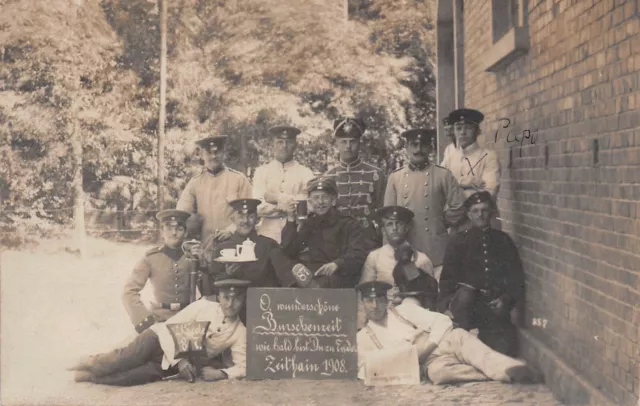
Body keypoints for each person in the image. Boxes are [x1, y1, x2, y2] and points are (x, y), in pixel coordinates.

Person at [70, 279, 250, 386]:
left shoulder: (239, 331)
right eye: (226, 297)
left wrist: (222, 374)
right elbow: (174, 324)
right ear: (219, 296)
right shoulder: (204, 306)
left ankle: (89, 377)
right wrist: (180, 360)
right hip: (158, 340)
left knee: (130, 377)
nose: (230, 304)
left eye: (237, 299)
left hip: (169, 365)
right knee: (123, 359)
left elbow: (243, 365)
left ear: (243, 300)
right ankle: (89, 361)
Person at [356, 281, 540, 385]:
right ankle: (498, 371)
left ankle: (512, 370)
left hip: (443, 341)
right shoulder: (364, 337)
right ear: (362, 304)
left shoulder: (403, 310)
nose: (374, 306)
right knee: (440, 376)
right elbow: (366, 370)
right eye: (369, 301)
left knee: (465, 342)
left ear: (385, 301)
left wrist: (429, 346)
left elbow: (442, 321)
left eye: (378, 300)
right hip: (428, 364)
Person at [437, 191, 525, 356]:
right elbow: (447, 278)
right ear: (469, 215)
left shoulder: (503, 241)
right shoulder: (458, 241)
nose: (480, 215)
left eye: (484, 210)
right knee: (460, 352)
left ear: (491, 212)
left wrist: (505, 299)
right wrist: (446, 306)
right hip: (467, 307)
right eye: (476, 211)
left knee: (504, 352)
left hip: (492, 306)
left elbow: (515, 277)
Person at [384, 128, 467, 281]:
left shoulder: (443, 175)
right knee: (411, 292)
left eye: (423, 145)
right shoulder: (395, 178)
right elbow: (388, 218)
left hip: (435, 246)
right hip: (407, 247)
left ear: (430, 148)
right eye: (414, 145)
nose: (418, 150)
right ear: (406, 148)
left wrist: (440, 222)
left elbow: (459, 206)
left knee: (436, 293)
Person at [269, 177, 368, 289]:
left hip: (334, 274)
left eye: (325, 197)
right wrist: (291, 219)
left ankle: (305, 287)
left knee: (328, 281)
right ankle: (297, 285)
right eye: (316, 198)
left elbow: (358, 254)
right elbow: (289, 250)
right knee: (276, 253)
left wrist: (337, 264)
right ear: (310, 202)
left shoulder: (349, 224)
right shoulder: (309, 223)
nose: (320, 202)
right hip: (312, 274)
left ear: (333, 200)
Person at [122, 209, 202, 334]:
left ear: (185, 233)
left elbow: (208, 291)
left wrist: (204, 263)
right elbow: (128, 292)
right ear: (162, 232)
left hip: (188, 318)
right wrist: (146, 322)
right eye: (169, 228)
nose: (174, 233)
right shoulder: (151, 258)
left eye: (179, 229)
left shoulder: (192, 258)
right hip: (159, 320)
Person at [203, 198, 280, 323]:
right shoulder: (223, 247)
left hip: (263, 311)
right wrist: (227, 275)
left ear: (257, 219)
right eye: (240, 216)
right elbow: (213, 284)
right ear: (233, 219)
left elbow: (277, 282)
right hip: (232, 315)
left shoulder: (268, 245)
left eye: (250, 216)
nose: (245, 221)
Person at [177, 135, 252, 244]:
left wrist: (232, 230)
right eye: (209, 152)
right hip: (205, 245)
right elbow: (182, 213)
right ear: (202, 155)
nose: (213, 156)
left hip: (234, 243)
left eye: (217, 152)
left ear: (224, 153)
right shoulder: (195, 183)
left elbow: (251, 212)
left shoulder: (239, 179)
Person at [359, 206, 437, 310]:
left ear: (407, 227)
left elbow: (431, 299)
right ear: (383, 229)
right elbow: (364, 294)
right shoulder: (375, 257)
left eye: (399, 223)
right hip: (382, 315)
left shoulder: (421, 259)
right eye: (389, 224)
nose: (394, 228)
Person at [324, 117, 385, 247]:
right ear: (337, 144)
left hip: (368, 240)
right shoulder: (329, 176)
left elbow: (382, 209)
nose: (348, 146)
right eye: (344, 142)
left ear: (359, 143)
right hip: (338, 242)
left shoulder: (375, 174)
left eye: (352, 142)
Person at [251, 126, 315, 243]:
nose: (284, 146)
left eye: (289, 142)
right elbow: (257, 207)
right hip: (267, 236)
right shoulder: (261, 172)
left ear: (295, 145)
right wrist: (279, 206)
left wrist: (277, 198)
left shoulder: (306, 173)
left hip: (297, 235)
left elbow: (310, 206)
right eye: (280, 142)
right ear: (273, 144)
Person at [440, 109, 501, 200]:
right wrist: (469, 187)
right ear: (454, 131)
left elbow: (489, 192)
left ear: (478, 131)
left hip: (478, 212)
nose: (462, 132)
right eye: (458, 128)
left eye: (468, 128)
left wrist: (453, 187)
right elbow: (440, 185)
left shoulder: (488, 156)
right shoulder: (450, 154)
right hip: (453, 212)